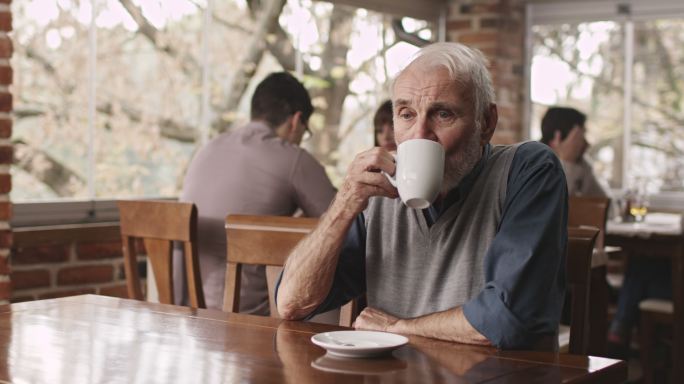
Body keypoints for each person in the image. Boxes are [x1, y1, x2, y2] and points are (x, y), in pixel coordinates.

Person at [276, 42, 568, 350]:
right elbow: (293, 303)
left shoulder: (528, 170)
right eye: (406, 114)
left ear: (486, 123)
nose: (418, 134)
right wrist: (344, 204)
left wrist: (397, 328)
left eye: (442, 114)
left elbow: (512, 317)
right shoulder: (380, 191)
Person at [176, 72, 336, 313]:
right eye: (305, 131)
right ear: (296, 120)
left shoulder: (208, 149)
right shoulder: (293, 159)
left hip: (191, 317)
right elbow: (346, 219)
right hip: (253, 321)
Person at [540, 107, 608, 198]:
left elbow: (606, 206)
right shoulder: (535, 166)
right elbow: (554, 205)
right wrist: (567, 162)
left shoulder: (582, 165)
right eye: (580, 137)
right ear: (557, 138)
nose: (587, 144)